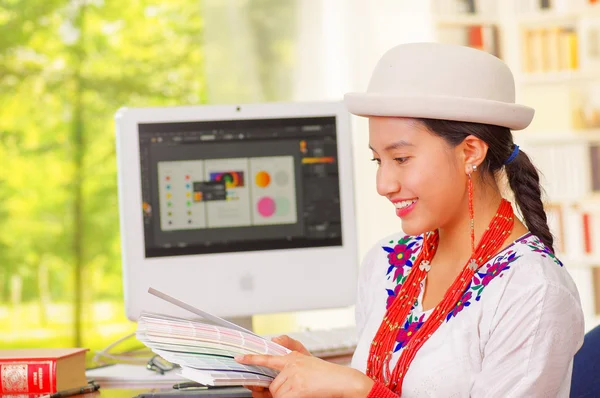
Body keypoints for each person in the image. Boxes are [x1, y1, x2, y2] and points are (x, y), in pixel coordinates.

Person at [236, 42, 585, 397]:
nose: (383, 185)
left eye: (400, 158)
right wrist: (312, 385)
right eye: (378, 161)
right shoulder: (388, 260)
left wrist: (358, 391)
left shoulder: (532, 290)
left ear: (470, 152)